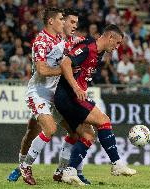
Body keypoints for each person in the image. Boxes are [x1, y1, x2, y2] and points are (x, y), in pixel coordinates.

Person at [7, 8, 94, 185]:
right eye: (62, 19)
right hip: (38, 92)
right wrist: (64, 70)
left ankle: (61, 171)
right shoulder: (41, 41)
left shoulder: (62, 39)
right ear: (51, 22)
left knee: (74, 132)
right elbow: (42, 69)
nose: (64, 22)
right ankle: (24, 166)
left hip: (55, 96)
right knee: (44, 129)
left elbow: (80, 45)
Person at [54, 24, 137, 186]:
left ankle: (69, 172)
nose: (117, 47)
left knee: (88, 136)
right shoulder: (88, 47)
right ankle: (117, 164)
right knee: (104, 121)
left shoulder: (99, 53)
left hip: (69, 98)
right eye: (117, 43)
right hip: (69, 97)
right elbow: (65, 64)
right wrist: (76, 87)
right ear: (110, 37)